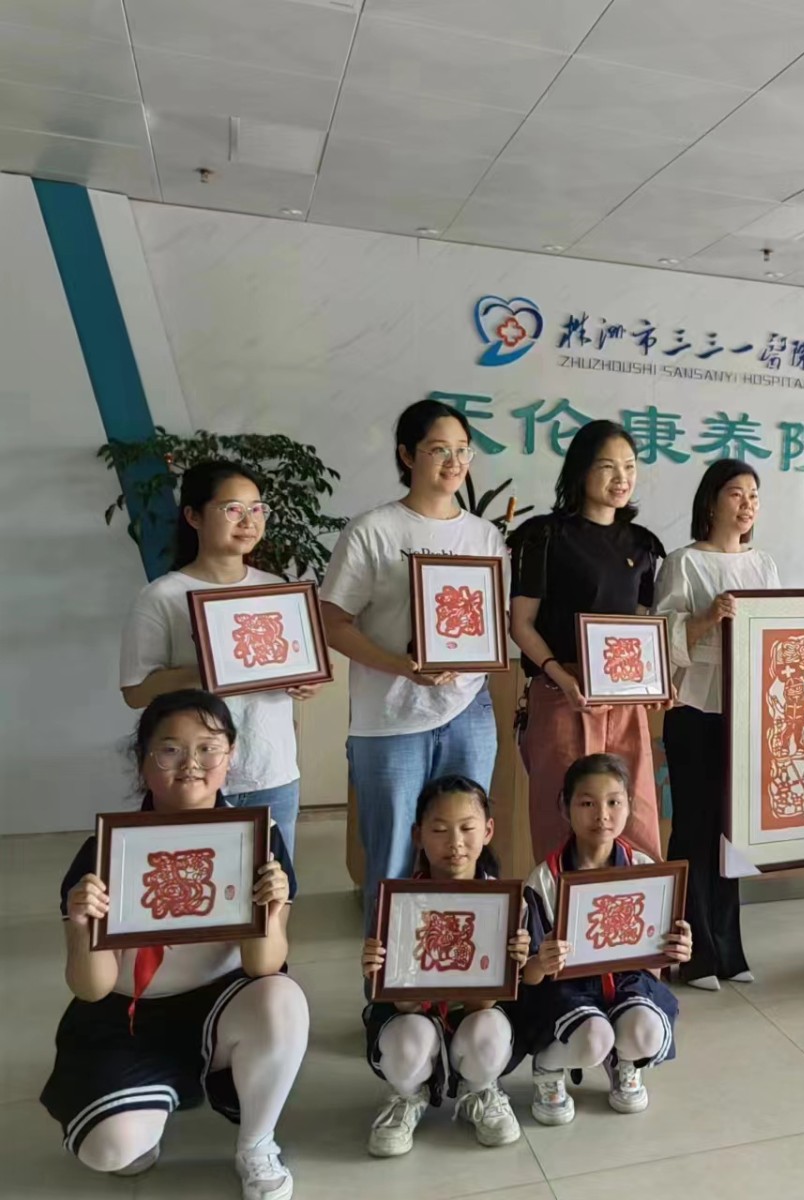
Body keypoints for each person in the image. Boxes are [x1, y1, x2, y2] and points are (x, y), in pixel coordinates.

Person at [40, 690, 307, 1200]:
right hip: (126, 1017)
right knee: (112, 1152)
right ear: (143, 762)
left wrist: (271, 911)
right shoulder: (106, 852)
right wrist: (80, 924)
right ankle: (149, 1102)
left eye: (208, 748)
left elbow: (263, 964)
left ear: (230, 757)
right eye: (170, 750)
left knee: (282, 998)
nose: (191, 765)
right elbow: (92, 988)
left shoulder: (261, 840)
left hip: (224, 1005)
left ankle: (257, 1143)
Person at [321, 399, 507, 931]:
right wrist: (401, 666)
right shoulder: (374, 530)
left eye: (463, 451)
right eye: (438, 450)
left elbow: (489, 620)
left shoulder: (484, 535)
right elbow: (332, 622)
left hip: (468, 709)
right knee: (393, 859)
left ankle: (461, 969)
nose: (454, 462)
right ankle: (386, 978)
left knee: (464, 853)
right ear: (407, 455)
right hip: (390, 719)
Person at [120, 460, 323, 860]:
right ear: (193, 516)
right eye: (233, 509)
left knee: (275, 885)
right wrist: (208, 669)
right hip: (195, 778)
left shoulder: (278, 590)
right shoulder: (162, 596)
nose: (249, 520)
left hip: (272, 771)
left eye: (257, 509)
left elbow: (303, 674)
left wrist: (306, 682)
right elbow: (135, 692)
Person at [510, 422, 666, 863]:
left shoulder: (643, 545)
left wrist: (654, 678)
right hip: (563, 694)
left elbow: (640, 626)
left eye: (630, 467)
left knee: (633, 812)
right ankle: (560, 904)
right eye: (607, 467)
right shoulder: (543, 536)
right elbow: (521, 624)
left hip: (624, 699)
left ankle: (635, 901)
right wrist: (560, 677)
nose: (622, 478)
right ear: (581, 471)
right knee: (563, 814)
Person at [653, 459, 779, 990]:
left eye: (754, 495)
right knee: (694, 827)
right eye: (736, 493)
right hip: (694, 707)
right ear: (710, 501)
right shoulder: (683, 562)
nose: (747, 504)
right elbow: (661, 637)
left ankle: (729, 950)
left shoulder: (763, 563)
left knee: (733, 833)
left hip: (747, 710)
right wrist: (709, 616)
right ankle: (694, 953)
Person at [362, 776, 530, 1158]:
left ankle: (480, 1089)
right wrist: (380, 972)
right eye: (439, 830)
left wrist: (509, 964)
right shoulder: (396, 903)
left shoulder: (507, 904)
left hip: (475, 1014)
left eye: (467, 828)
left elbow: (482, 1004)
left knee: (488, 1032)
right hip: (413, 1015)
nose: (455, 843)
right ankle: (408, 1095)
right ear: (417, 835)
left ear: (488, 831)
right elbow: (404, 1004)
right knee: (407, 1042)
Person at [520, 755, 692, 1125]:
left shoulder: (645, 870)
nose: (602, 815)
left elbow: (662, 950)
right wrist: (542, 963)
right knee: (593, 1039)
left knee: (646, 1032)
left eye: (614, 802)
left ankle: (624, 1063)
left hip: (629, 983)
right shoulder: (544, 879)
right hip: (567, 991)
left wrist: (679, 949)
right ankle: (549, 1066)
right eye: (587, 803)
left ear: (630, 805)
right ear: (565, 807)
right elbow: (527, 976)